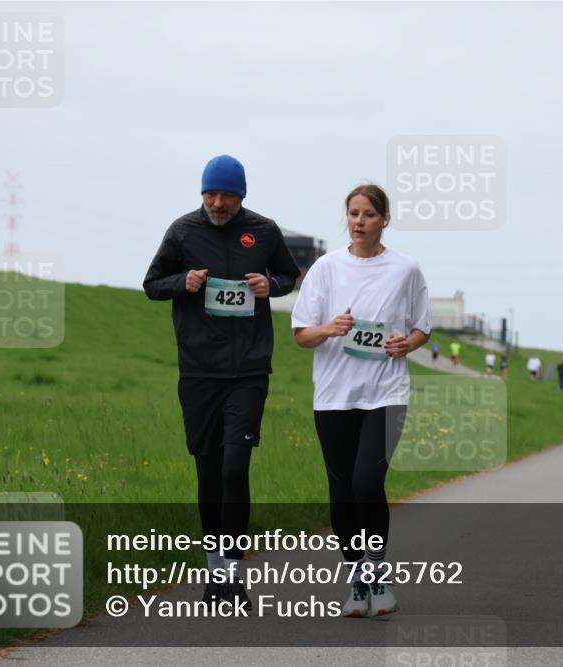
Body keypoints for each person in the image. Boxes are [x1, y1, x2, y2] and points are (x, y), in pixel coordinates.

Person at [143, 154, 301, 607]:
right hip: (198, 369)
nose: (216, 202)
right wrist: (184, 281)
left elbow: (289, 275)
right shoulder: (182, 231)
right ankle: (215, 574)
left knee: (235, 466)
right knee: (208, 471)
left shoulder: (265, 231)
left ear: (241, 195)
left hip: (249, 367)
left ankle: (232, 574)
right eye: (210, 193)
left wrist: (272, 284)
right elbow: (152, 284)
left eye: (226, 194)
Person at [291, 184, 430, 618]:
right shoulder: (326, 268)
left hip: (386, 392)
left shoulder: (406, 269)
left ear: (384, 219)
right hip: (334, 395)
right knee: (341, 492)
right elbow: (301, 335)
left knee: (366, 485)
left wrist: (407, 344)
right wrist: (331, 329)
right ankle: (356, 581)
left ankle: (377, 575)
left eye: (369, 214)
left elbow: (422, 327)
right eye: (353, 213)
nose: (359, 221)